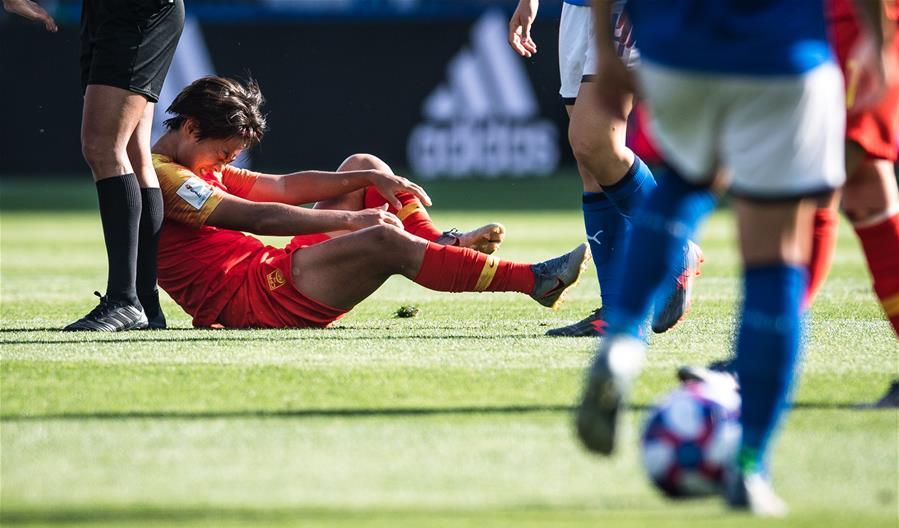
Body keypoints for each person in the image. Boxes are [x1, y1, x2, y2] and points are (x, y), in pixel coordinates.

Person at [576, 0, 890, 516]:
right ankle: (748, 465)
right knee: (776, 258)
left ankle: (624, 340)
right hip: (781, 51)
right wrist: (876, 39)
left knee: (684, 179)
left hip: (678, 47)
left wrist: (606, 48)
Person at [150, 76, 589, 329]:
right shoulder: (166, 176)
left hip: (268, 273)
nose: (228, 162)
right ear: (190, 128)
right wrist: (353, 218)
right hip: (252, 300)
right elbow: (259, 215)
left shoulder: (197, 164)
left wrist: (370, 178)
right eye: (225, 152)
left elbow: (281, 187)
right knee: (381, 238)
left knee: (364, 162)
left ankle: (443, 244)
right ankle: (534, 281)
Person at [678, 0, 899, 409]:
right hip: (829, 25)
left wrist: (877, 33)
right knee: (865, 193)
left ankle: (759, 357)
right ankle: (760, 355)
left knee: (811, 184)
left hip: (869, 21)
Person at [508, 0, 703, 337]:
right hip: (577, 9)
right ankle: (616, 311)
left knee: (594, 141)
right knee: (591, 163)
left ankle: (675, 245)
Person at [3, 0, 185, 331]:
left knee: (103, 147)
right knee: (130, 151)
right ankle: (144, 302)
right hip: (112, 12)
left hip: (135, 12)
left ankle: (124, 300)